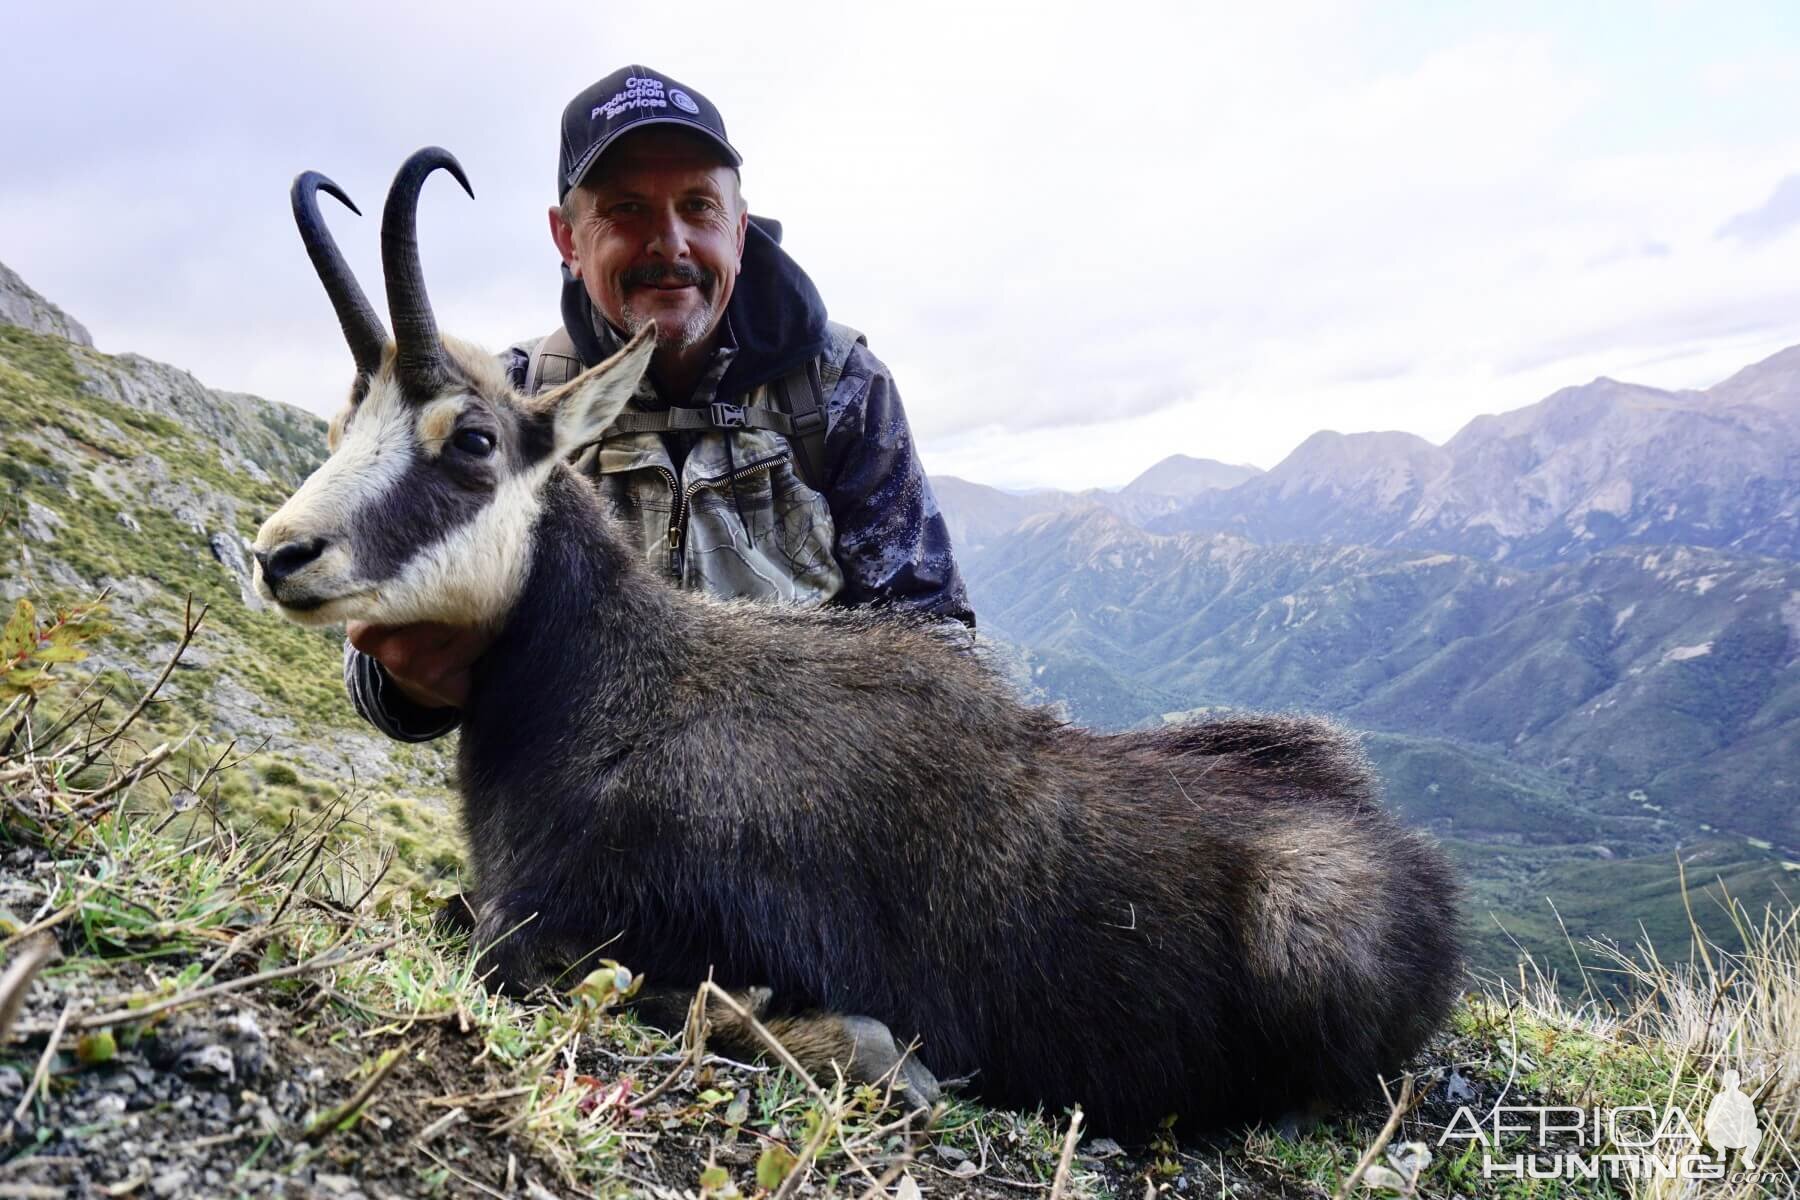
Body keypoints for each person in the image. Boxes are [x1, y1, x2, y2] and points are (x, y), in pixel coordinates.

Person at [344, 65, 972, 741]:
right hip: (582, 822)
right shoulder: (500, 412)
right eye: (626, 209)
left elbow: (934, 642)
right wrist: (411, 680)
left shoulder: (840, 387)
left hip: (807, 818)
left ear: (738, 229)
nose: (669, 242)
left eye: (699, 206)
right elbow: (375, 662)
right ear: (568, 240)